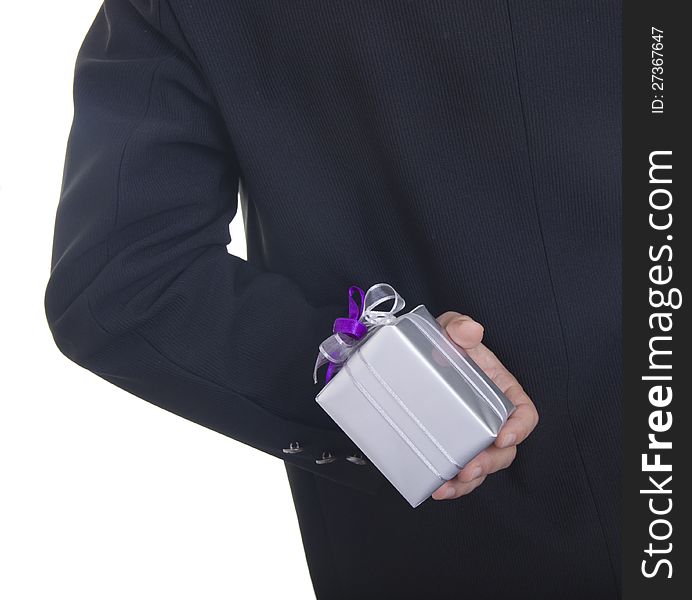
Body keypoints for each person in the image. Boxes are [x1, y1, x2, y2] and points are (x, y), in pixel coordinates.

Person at [44, 1, 621, 598]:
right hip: (501, 523)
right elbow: (132, 280)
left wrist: (409, 400)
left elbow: (123, 281)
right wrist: (412, 395)